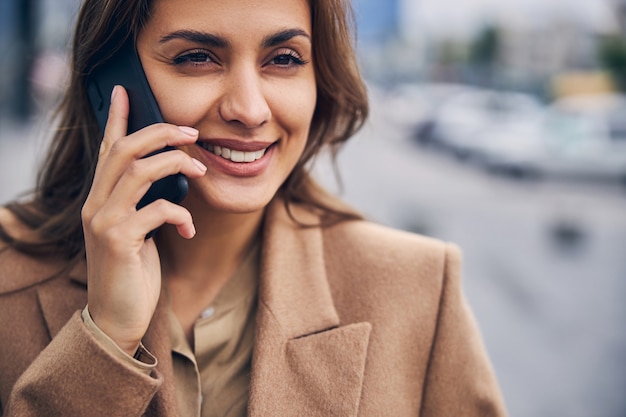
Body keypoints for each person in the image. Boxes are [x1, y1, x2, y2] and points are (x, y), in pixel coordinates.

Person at [0, 0, 508, 415]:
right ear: (109, 82)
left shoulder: (418, 287)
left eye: (284, 59)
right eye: (197, 57)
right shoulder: (8, 279)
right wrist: (105, 340)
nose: (249, 110)